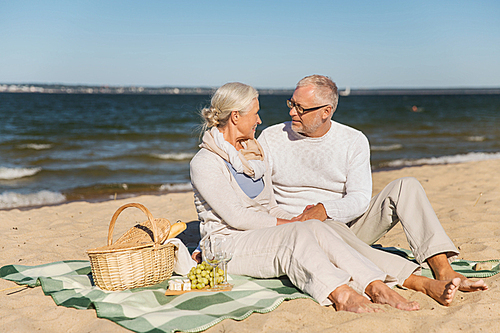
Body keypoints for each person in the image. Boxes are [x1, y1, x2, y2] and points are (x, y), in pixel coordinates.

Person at [190, 82, 461, 313]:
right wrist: (297, 222)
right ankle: (343, 294)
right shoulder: (209, 161)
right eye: (256, 113)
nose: (261, 120)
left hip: (324, 223)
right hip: (231, 244)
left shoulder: (251, 152)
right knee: (303, 232)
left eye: (300, 108)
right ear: (236, 117)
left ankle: (378, 286)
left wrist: (318, 214)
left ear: (326, 111)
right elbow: (238, 216)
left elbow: (270, 206)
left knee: (315, 227)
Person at [257, 74, 488, 293]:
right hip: (296, 229)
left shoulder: (353, 140)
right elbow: (258, 192)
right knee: (325, 228)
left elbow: (359, 199)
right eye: (291, 103)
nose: (292, 112)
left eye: (301, 108)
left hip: (346, 224)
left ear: (326, 112)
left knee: (407, 185)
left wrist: (326, 209)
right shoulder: (271, 137)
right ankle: (414, 278)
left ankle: (443, 269)